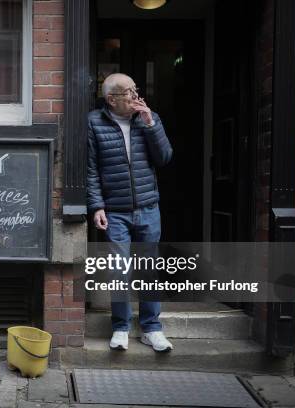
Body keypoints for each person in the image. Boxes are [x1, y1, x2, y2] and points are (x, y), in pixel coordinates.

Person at [87, 73, 174, 352]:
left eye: (136, 90)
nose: (136, 96)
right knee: (118, 271)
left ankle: (152, 328)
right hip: (116, 212)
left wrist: (150, 124)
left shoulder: (149, 118)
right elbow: (91, 169)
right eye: (129, 92)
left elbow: (164, 157)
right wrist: (97, 206)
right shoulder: (94, 122)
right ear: (112, 99)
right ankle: (121, 327)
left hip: (148, 208)